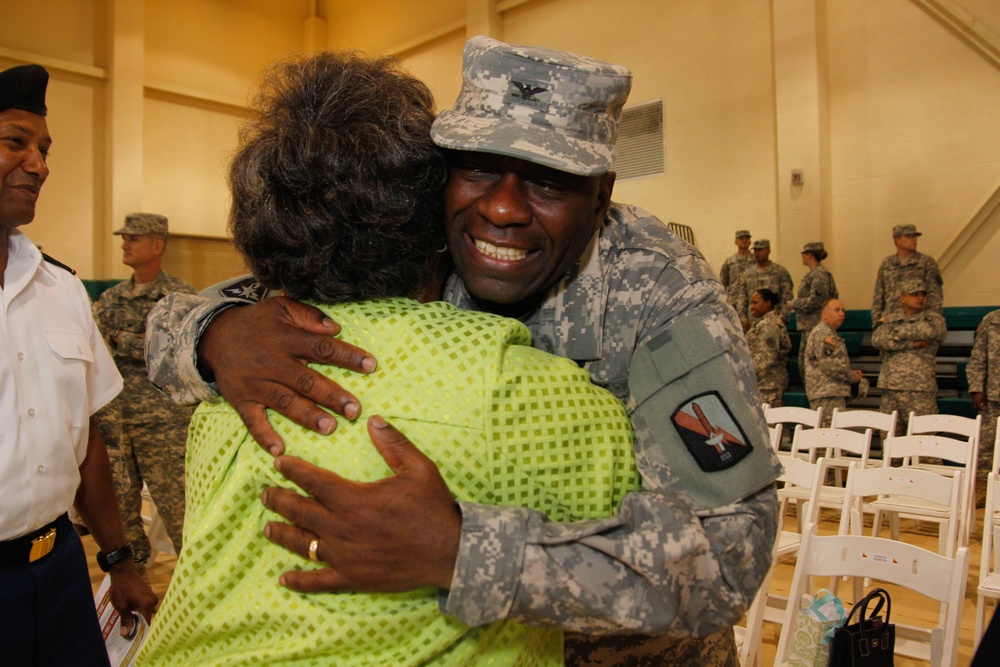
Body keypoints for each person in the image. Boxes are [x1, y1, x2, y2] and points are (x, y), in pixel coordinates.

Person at [146, 36, 781, 666]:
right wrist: (217, 336)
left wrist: (458, 552)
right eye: (477, 169)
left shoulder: (653, 288)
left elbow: (727, 554)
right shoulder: (431, 235)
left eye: (550, 182)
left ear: (602, 195)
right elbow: (172, 322)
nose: (502, 209)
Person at [0, 63, 157, 665]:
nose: (38, 164)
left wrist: (119, 560)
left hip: (61, 567)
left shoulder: (61, 288)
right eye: (15, 141)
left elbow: (85, 434)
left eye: (43, 149)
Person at [92, 213, 195, 569]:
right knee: (121, 518)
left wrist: (121, 340)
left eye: (134, 238)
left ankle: (192, 593)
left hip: (164, 423)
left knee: (180, 513)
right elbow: (97, 349)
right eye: (124, 237)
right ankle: (132, 596)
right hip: (118, 423)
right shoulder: (112, 296)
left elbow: (178, 352)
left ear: (157, 244)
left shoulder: (179, 297)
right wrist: (139, 343)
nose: (125, 243)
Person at [871, 278, 947, 437]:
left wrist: (896, 333)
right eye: (914, 294)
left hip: (919, 388)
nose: (920, 298)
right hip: (891, 388)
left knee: (923, 441)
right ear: (902, 298)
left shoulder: (934, 319)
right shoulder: (891, 317)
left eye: (923, 294)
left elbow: (929, 332)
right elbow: (877, 339)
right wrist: (910, 344)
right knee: (890, 441)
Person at [804, 298, 863, 427]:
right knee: (828, 438)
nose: (841, 314)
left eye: (843, 310)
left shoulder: (830, 333)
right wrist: (852, 377)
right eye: (837, 310)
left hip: (831, 393)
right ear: (824, 314)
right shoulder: (823, 333)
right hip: (827, 395)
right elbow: (829, 364)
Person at [871, 224, 943, 323]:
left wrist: (931, 325)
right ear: (897, 240)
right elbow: (878, 297)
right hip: (890, 323)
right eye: (909, 237)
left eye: (915, 237)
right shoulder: (887, 264)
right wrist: (877, 323)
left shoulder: (926, 263)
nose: (914, 240)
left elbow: (935, 298)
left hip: (917, 324)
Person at [791, 241, 838, 373]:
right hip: (809, 325)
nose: (802, 257)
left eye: (803, 254)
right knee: (805, 363)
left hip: (816, 325)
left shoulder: (819, 275)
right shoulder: (813, 274)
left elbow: (817, 301)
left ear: (809, 254)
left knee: (813, 364)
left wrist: (794, 304)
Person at [968, 308, 999, 502]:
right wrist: (977, 388)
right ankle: (983, 491)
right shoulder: (992, 320)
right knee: (986, 445)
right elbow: (978, 357)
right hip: (994, 395)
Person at [733, 238, 793, 331]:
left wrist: (782, 319)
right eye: (755, 250)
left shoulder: (780, 272)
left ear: (768, 251)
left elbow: (787, 298)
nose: (757, 253)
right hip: (752, 324)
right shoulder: (748, 274)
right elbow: (742, 298)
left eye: (761, 250)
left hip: (774, 322)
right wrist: (742, 318)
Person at [747, 288, 791, 408]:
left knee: (768, 425)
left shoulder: (769, 325)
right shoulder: (763, 323)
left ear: (768, 304)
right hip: (761, 383)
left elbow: (766, 357)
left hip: (768, 385)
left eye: (755, 303)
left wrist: (745, 372)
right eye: (751, 303)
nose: (752, 306)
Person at [719, 229, 753, 304]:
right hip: (734, 301)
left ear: (750, 241)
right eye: (741, 238)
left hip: (752, 301)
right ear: (735, 242)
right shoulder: (730, 262)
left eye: (746, 238)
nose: (744, 240)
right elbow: (722, 283)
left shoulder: (756, 261)